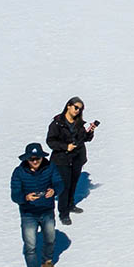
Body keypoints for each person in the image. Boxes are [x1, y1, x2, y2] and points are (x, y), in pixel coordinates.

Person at [10, 142, 64, 267]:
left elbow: (59, 183)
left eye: (38, 159)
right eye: (32, 159)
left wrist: (54, 191)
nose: (35, 162)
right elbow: (15, 195)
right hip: (29, 214)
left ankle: (47, 262)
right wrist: (25, 197)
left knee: (50, 238)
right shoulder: (19, 173)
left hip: (46, 210)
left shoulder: (50, 167)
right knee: (30, 246)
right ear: (27, 159)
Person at [47, 96, 97, 225]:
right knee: (64, 186)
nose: (77, 111)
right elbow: (50, 141)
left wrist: (90, 132)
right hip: (62, 159)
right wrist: (65, 147)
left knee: (74, 182)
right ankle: (63, 213)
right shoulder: (57, 123)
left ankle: (70, 204)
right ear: (68, 106)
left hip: (77, 157)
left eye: (80, 109)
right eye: (76, 107)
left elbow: (84, 139)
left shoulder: (79, 123)